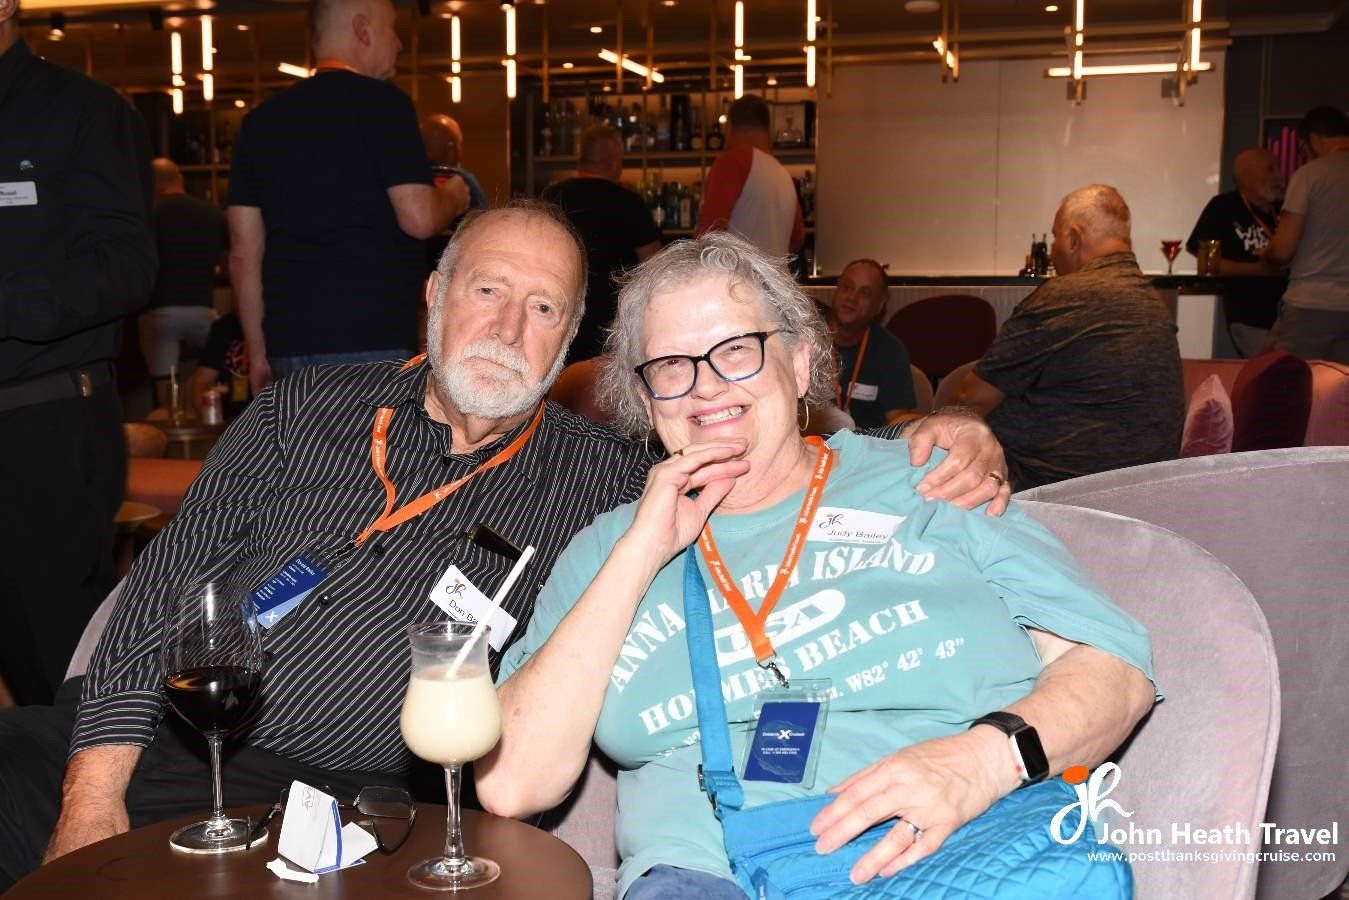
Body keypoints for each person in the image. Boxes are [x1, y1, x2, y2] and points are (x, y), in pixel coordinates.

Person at [0, 203, 1008, 889]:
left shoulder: (603, 480)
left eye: (541, 309)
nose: (506, 326)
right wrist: (91, 799)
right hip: (135, 740)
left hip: (322, 808)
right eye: (486, 291)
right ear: (434, 297)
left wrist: (930, 439)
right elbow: (163, 598)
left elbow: (757, 447)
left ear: (569, 337)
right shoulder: (301, 408)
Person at [477, 231, 1157, 899]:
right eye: (671, 365)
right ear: (646, 397)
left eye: (736, 350)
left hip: (957, 848)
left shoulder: (930, 482)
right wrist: (641, 551)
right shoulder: (606, 548)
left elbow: (1113, 672)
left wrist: (980, 761)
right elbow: (512, 783)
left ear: (800, 363)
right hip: (702, 874)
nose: (705, 387)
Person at [0, 0, 156, 707]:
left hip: (42, 430)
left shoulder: (80, 111)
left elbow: (127, 265)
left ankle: (86, 815)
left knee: (52, 673)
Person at [227, 0, 471, 394]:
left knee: (305, 455)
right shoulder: (386, 105)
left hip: (289, 341)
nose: (399, 44)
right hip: (373, 336)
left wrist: (258, 353)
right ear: (363, 29)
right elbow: (419, 217)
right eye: (393, 30)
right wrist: (457, 196)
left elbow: (242, 253)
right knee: (371, 456)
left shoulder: (260, 123)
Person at [949, 185, 1184, 490]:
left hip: (1051, 488)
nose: (1052, 252)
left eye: (1055, 237)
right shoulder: (1153, 303)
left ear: (1073, 238)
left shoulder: (1066, 295)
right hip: (1134, 487)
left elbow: (970, 400)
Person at [544, 125, 661, 363]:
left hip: (559, 316)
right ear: (614, 162)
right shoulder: (629, 203)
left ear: (581, 160)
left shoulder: (551, 198)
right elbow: (656, 265)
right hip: (612, 328)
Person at [1263, 106, 1349, 363]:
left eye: (1302, 150)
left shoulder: (1310, 175)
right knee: (1340, 393)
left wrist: (1267, 254)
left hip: (1311, 304)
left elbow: (1283, 249)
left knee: (1278, 383)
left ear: (1313, 139)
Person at [138, 158, 226, 402]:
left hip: (160, 311)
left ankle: (171, 427)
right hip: (203, 308)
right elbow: (231, 260)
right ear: (180, 180)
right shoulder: (212, 212)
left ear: (152, 185)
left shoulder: (150, 213)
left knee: (165, 386)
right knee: (212, 373)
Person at [1185, 147, 1286, 358]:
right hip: (1250, 317)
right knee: (1271, 375)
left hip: (1292, 316)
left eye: (1278, 168)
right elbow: (1207, 265)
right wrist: (1260, 270)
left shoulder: (1288, 209)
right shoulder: (1223, 207)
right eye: (1270, 169)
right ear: (1247, 176)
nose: (1279, 175)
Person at [695, 95, 805, 258]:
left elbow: (709, 234)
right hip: (774, 280)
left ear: (729, 127)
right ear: (768, 129)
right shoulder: (783, 174)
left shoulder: (733, 161)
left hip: (736, 278)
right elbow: (797, 239)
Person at [829, 258, 916, 428]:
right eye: (847, 287)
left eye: (865, 293)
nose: (852, 298)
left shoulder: (891, 352)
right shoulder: (805, 339)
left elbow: (898, 422)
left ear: (879, 305)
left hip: (865, 448)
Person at [420, 112, 490, 271]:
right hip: (454, 269)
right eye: (460, 144)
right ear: (451, 148)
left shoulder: (410, 183)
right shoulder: (462, 180)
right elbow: (485, 227)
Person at [188, 312, 250, 421]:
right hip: (227, 420)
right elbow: (202, 381)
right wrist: (209, 418)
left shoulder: (278, 323)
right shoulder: (224, 326)